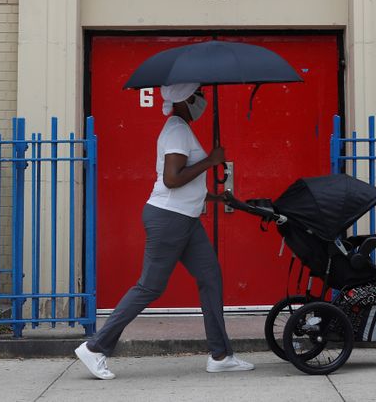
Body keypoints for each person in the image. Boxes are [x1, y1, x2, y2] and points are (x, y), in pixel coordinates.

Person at [75, 83, 254, 380]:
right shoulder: (177, 130)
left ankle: (220, 355)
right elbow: (171, 180)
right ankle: (95, 348)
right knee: (150, 286)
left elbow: (180, 182)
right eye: (200, 94)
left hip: (184, 217)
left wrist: (213, 197)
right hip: (170, 218)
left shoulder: (180, 128)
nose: (203, 99)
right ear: (185, 98)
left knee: (210, 276)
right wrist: (211, 161)